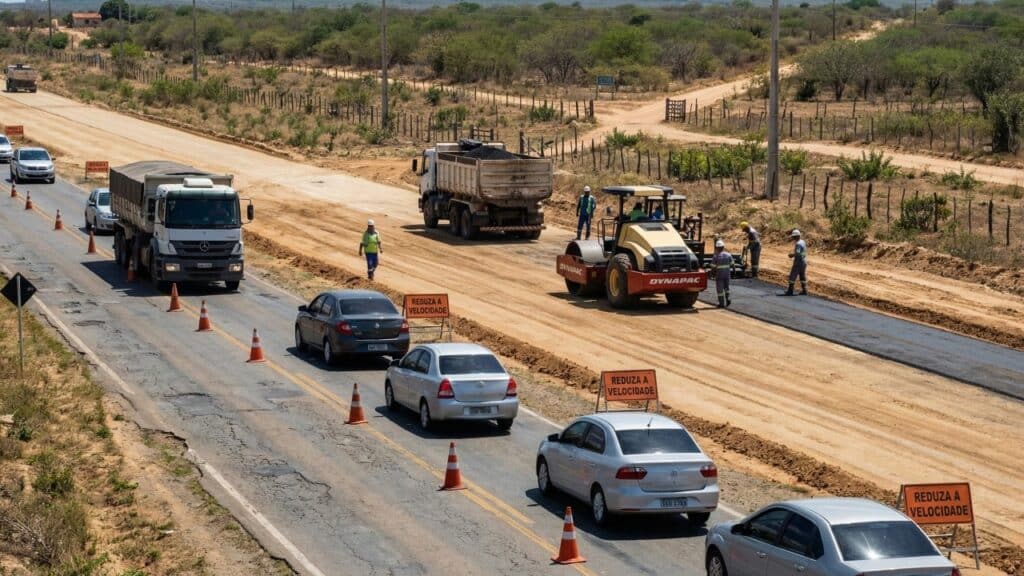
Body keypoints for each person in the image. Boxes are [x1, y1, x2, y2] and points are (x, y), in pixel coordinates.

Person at [783, 229, 808, 296]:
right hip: (804, 261)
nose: (793, 238)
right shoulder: (803, 242)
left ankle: (790, 291)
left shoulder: (798, 244)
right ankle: (804, 290)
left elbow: (798, 253)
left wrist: (792, 255)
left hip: (799, 262)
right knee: (802, 276)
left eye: (794, 236)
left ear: (797, 236)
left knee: (792, 275)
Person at [711, 239, 733, 308]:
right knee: (727, 288)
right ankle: (728, 299)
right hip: (727, 274)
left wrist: (712, 274)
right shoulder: (728, 255)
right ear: (723, 247)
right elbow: (732, 264)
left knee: (720, 290)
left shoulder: (715, 256)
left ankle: (721, 304)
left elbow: (713, 267)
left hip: (719, 275)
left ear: (717, 248)